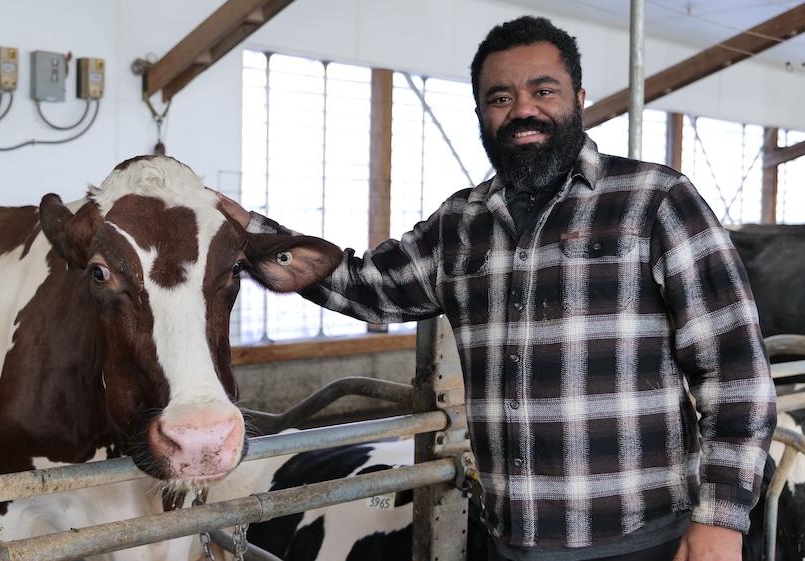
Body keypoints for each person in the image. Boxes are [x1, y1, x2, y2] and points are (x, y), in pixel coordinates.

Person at [218, 15, 776, 561]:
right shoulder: (461, 221)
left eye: (543, 90)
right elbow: (368, 286)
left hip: (643, 537)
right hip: (510, 538)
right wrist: (252, 238)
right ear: (482, 112)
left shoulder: (656, 199)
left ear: (579, 97)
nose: (523, 110)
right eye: (500, 97)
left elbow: (733, 373)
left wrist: (720, 520)